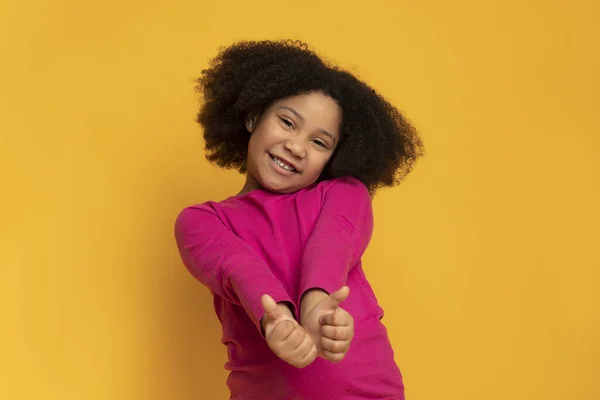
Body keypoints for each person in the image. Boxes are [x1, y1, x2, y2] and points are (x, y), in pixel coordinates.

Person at [175, 39, 424, 400]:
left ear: (334, 157)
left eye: (320, 143)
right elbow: (238, 267)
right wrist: (277, 319)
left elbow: (334, 241)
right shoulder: (202, 220)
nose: (297, 146)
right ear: (252, 116)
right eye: (288, 122)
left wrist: (317, 305)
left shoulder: (344, 192)